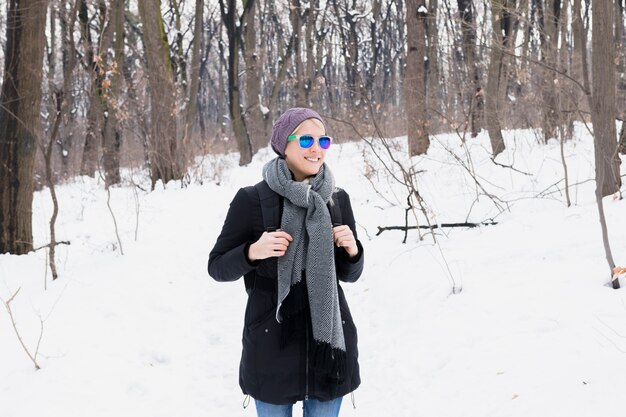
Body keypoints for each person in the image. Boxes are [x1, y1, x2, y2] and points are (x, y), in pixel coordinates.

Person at [208, 107, 364, 417]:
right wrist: (253, 251)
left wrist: (353, 252)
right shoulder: (253, 200)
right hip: (271, 346)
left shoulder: (337, 198)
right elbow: (217, 267)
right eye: (306, 140)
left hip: (328, 350)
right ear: (284, 144)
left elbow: (349, 275)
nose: (317, 148)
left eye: (324, 140)